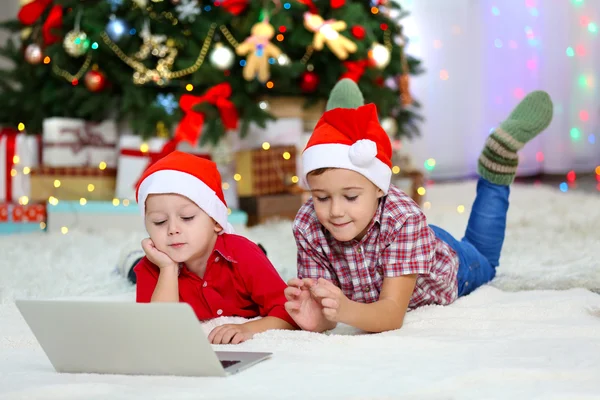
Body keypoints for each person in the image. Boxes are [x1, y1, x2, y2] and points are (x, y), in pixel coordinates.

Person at [284, 79, 553, 334]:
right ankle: (340, 122)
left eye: (351, 196)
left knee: (485, 258)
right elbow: (327, 313)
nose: (335, 211)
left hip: (453, 265)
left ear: (380, 187)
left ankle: (498, 161)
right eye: (321, 197)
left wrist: (345, 309)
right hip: (406, 243)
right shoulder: (309, 224)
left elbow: (390, 314)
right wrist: (315, 317)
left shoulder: (403, 219)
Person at [134, 151, 297, 344]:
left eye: (187, 218)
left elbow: (289, 312)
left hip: (243, 252)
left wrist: (248, 328)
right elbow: (157, 329)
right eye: (159, 222)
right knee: (131, 266)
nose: (172, 230)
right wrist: (167, 268)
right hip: (154, 262)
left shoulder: (243, 255)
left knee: (257, 254)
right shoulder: (151, 266)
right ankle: (128, 256)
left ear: (217, 222)